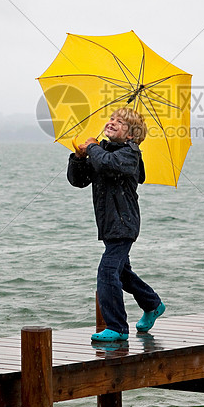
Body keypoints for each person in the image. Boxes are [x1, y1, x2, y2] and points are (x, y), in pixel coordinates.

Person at [67, 107, 166, 342]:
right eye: (111, 118)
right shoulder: (102, 152)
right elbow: (78, 181)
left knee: (107, 271)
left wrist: (91, 147)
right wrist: (79, 159)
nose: (112, 122)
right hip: (109, 224)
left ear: (130, 135)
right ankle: (153, 304)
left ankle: (118, 327)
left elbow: (108, 164)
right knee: (122, 273)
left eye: (120, 122)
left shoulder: (129, 155)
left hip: (124, 224)